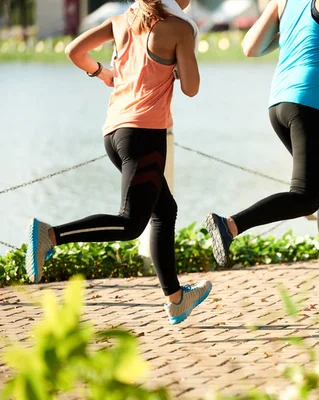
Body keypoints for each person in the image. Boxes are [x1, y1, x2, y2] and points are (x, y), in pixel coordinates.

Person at [25, 0, 211, 325]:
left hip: (115, 132)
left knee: (164, 211)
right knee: (130, 224)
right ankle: (51, 235)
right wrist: (181, 59)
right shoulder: (178, 28)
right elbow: (192, 88)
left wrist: (102, 73)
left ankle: (176, 299)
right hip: (145, 136)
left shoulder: (121, 21)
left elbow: (73, 50)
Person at [205, 0, 319, 307]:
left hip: (280, 104)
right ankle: (230, 225)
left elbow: (251, 47)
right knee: (307, 196)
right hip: (312, 104)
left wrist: (288, 36)